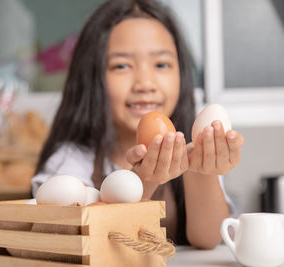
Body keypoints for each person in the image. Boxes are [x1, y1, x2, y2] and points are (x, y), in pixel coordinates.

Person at [31, 0, 244, 249]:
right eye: (122, 66)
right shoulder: (72, 161)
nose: (144, 83)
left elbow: (207, 240)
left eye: (161, 64)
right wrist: (142, 181)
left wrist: (201, 171)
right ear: (92, 77)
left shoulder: (187, 148)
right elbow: (87, 242)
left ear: (182, 74)